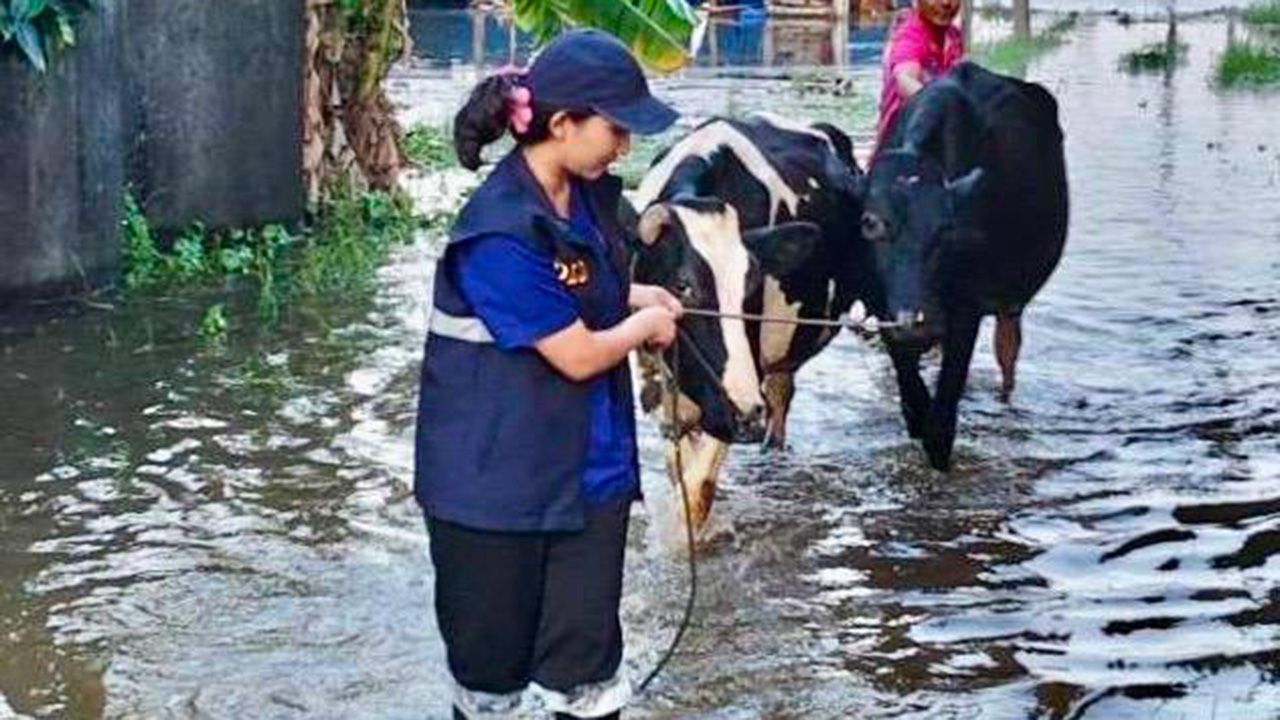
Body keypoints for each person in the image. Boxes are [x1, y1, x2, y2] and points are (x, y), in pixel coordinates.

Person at [415, 29, 684, 720]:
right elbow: (578, 354)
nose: (625, 145)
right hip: (493, 494)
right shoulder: (499, 231)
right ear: (562, 125)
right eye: (616, 128)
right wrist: (645, 327)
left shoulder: (588, 200)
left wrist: (633, 296)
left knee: (588, 679)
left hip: (587, 481)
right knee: (491, 684)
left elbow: (579, 292)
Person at [875, 0, 966, 153]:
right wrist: (943, 109)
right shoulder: (911, 35)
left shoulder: (954, 36)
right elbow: (905, 80)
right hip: (902, 145)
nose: (946, 3)